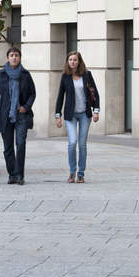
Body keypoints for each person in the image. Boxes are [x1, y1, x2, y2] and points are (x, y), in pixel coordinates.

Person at [0, 47, 36, 185]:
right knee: (8, 146)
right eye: (11, 55)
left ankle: (20, 175)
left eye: (16, 55)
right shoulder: (1, 75)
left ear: (20, 58)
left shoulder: (25, 75)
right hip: (5, 115)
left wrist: (26, 107)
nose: (14, 58)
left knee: (21, 144)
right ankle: (12, 175)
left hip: (21, 115)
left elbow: (32, 93)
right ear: (7, 58)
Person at [55, 51, 100, 183]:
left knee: (82, 144)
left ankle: (81, 173)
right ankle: (72, 170)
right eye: (70, 60)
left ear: (79, 61)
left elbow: (95, 93)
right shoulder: (65, 76)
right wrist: (58, 115)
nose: (72, 62)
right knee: (72, 142)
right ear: (67, 62)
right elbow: (60, 97)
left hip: (85, 113)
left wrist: (96, 110)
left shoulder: (87, 75)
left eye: (75, 60)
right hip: (70, 115)